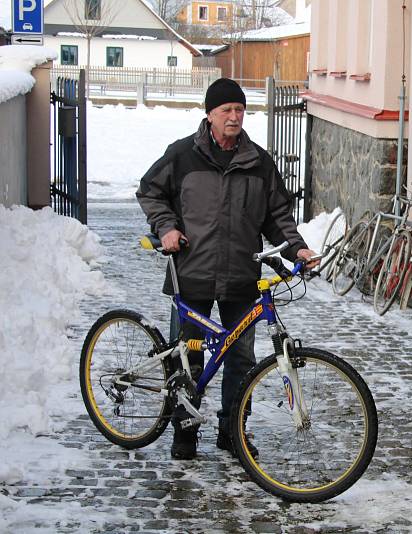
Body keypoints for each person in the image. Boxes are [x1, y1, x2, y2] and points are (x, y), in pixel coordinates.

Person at [136, 78, 318, 460]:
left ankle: (232, 431)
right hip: (192, 273)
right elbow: (150, 191)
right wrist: (166, 227)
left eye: (239, 110)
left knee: (240, 358)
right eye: (226, 111)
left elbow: (278, 215)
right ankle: (184, 432)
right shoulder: (181, 155)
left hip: (240, 276)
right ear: (210, 115)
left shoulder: (259, 162)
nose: (234, 117)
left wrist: (297, 249)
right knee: (187, 355)